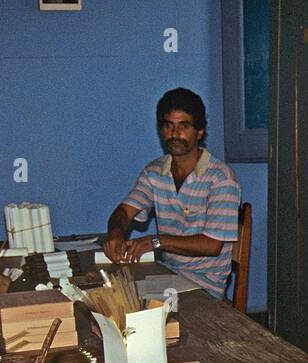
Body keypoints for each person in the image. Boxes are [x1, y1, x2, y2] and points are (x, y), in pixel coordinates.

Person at [103, 88, 241, 298]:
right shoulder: (155, 172)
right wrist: (115, 235)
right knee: (106, 293)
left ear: (200, 131)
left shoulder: (221, 178)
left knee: (126, 303)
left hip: (204, 286)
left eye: (184, 126)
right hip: (166, 275)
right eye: (168, 126)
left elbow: (212, 245)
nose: (175, 134)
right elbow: (124, 212)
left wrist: (155, 241)